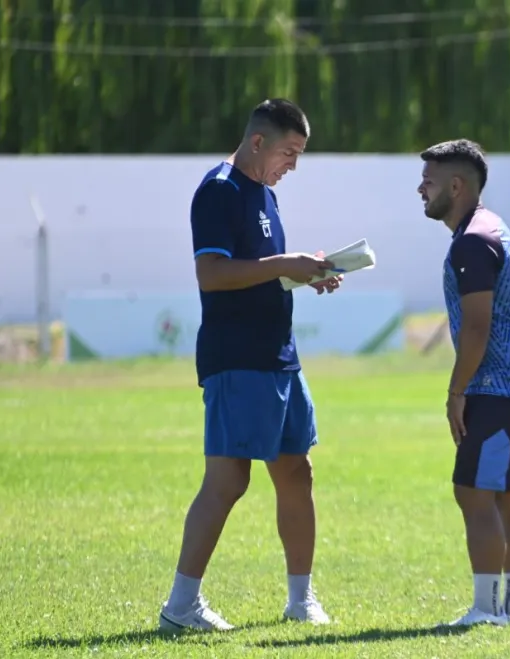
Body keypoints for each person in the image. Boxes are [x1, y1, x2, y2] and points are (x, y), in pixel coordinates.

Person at [158, 98, 343, 632]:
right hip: (237, 358)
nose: (294, 165)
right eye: (289, 152)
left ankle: (300, 600)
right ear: (258, 142)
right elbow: (212, 274)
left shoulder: (264, 193)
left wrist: (303, 273)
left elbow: (259, 271)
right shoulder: (219, 190)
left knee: (296, 471)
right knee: (228, 480)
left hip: (279, 355)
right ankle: (181, 606)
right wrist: (286, 264)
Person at [417, 139, 510, 627]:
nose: (420, 189)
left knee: (474, 492)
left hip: (501, 387)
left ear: (456, 186)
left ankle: (486, 609)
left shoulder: (473, 240)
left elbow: (478, 327)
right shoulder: (488, 226)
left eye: (429, 182)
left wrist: (457, 393)